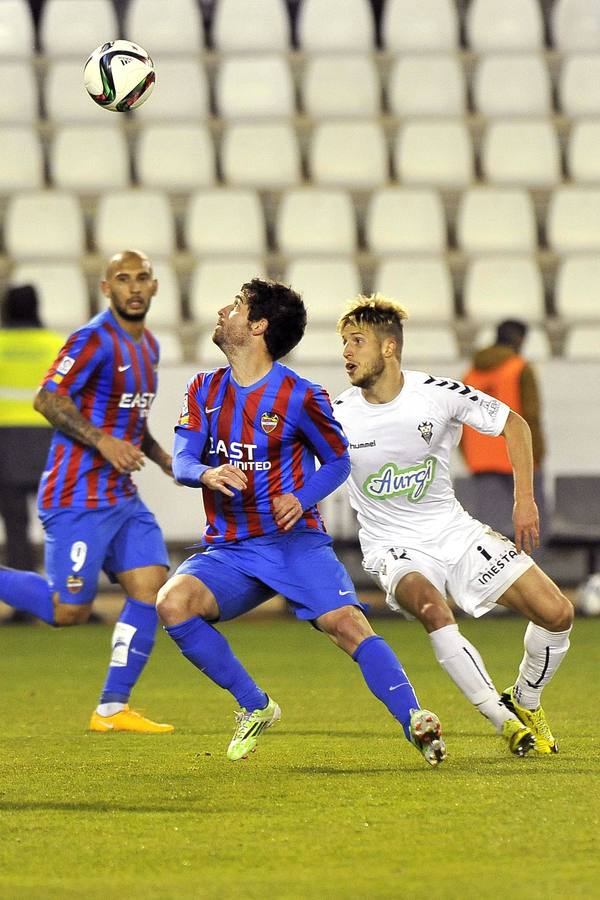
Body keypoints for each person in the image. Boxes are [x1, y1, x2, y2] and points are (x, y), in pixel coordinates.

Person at [156, 278, 446, 766]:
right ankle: (255, 705)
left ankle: (415, 721)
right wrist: (206, 472)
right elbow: (182, 461)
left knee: (347, 624)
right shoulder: (203, 389)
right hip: (231, 548)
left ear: (258, 325)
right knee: (174, 603)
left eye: (237, 305)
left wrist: (300, 496)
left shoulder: (300, 395)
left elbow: (336, 461)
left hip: (293, 541)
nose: (224, 309)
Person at [332, 295, 573, 757]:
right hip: (393, 546)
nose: (346, 352)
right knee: (433, 609)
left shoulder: (437, 393)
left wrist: (525, 499)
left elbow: (515, 425)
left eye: (357, 341)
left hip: (453, 532)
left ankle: (524, 700)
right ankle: (504, 723)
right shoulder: (339, 414)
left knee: (557, 613)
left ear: (388, 348)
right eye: (344, 342)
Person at [0, 250, 175, 734]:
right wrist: (102, 441)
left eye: (142, 278)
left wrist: (165, 461)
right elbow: (46, 398)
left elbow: (130, 423)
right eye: (123, 279)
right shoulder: (93, 340)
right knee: (68, 611)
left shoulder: (150, 347)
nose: (134, 287)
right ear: (106, 288)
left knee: (149, 586)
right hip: (77, 495)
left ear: (155, 287)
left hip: (120, 495)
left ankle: (112, 709)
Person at [0, 285, 63, 606]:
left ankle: (23, 605)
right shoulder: (55, 345)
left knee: (15, 526)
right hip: (50, 442)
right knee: (63, 522)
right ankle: (70, 597)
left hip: (5, 443)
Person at [460, 319, 547, 543]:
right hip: (519, 459)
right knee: (530, 534)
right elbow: (531, 416)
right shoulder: (520, 368)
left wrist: (471, 456)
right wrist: (537, 454)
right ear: (519, 339)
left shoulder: (470, 374)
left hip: (482, 462)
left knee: (491, 536)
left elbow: (459, 421)